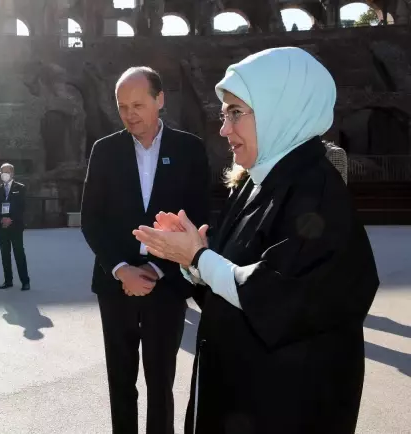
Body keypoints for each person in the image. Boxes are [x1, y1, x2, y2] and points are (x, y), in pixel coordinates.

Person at [133, 47, 380, 434]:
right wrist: (192, 261)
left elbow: (274, 298)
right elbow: (231, 283)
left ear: (281, 108)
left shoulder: (315, 191)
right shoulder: (259, 180)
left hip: (284, 406)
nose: (223, 129)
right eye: (223, 114)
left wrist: (198, 258)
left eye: (236, 114)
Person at [81, 66, 211, 434]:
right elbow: (92, 219)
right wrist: (121, 268)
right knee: (120, 381)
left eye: (138, 104)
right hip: (115, 284)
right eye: (122, 106)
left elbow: (200, 217)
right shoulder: (104, 150)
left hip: (166, 285)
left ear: (160, 100)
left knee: (160, 382)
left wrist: (158, 269)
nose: (129, 114)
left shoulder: (189, 149)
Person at [0, 163, 30, 291]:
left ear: (12, 173)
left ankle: (25, 281)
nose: (5, 174)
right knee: (5, 254)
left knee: (19, 253)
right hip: (2, 226)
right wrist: (2, 218)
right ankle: (8, 280)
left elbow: (22, 206)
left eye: (7, 171)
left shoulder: (21, 188)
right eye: (2, 172)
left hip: (16, 225)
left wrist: (11, 218)